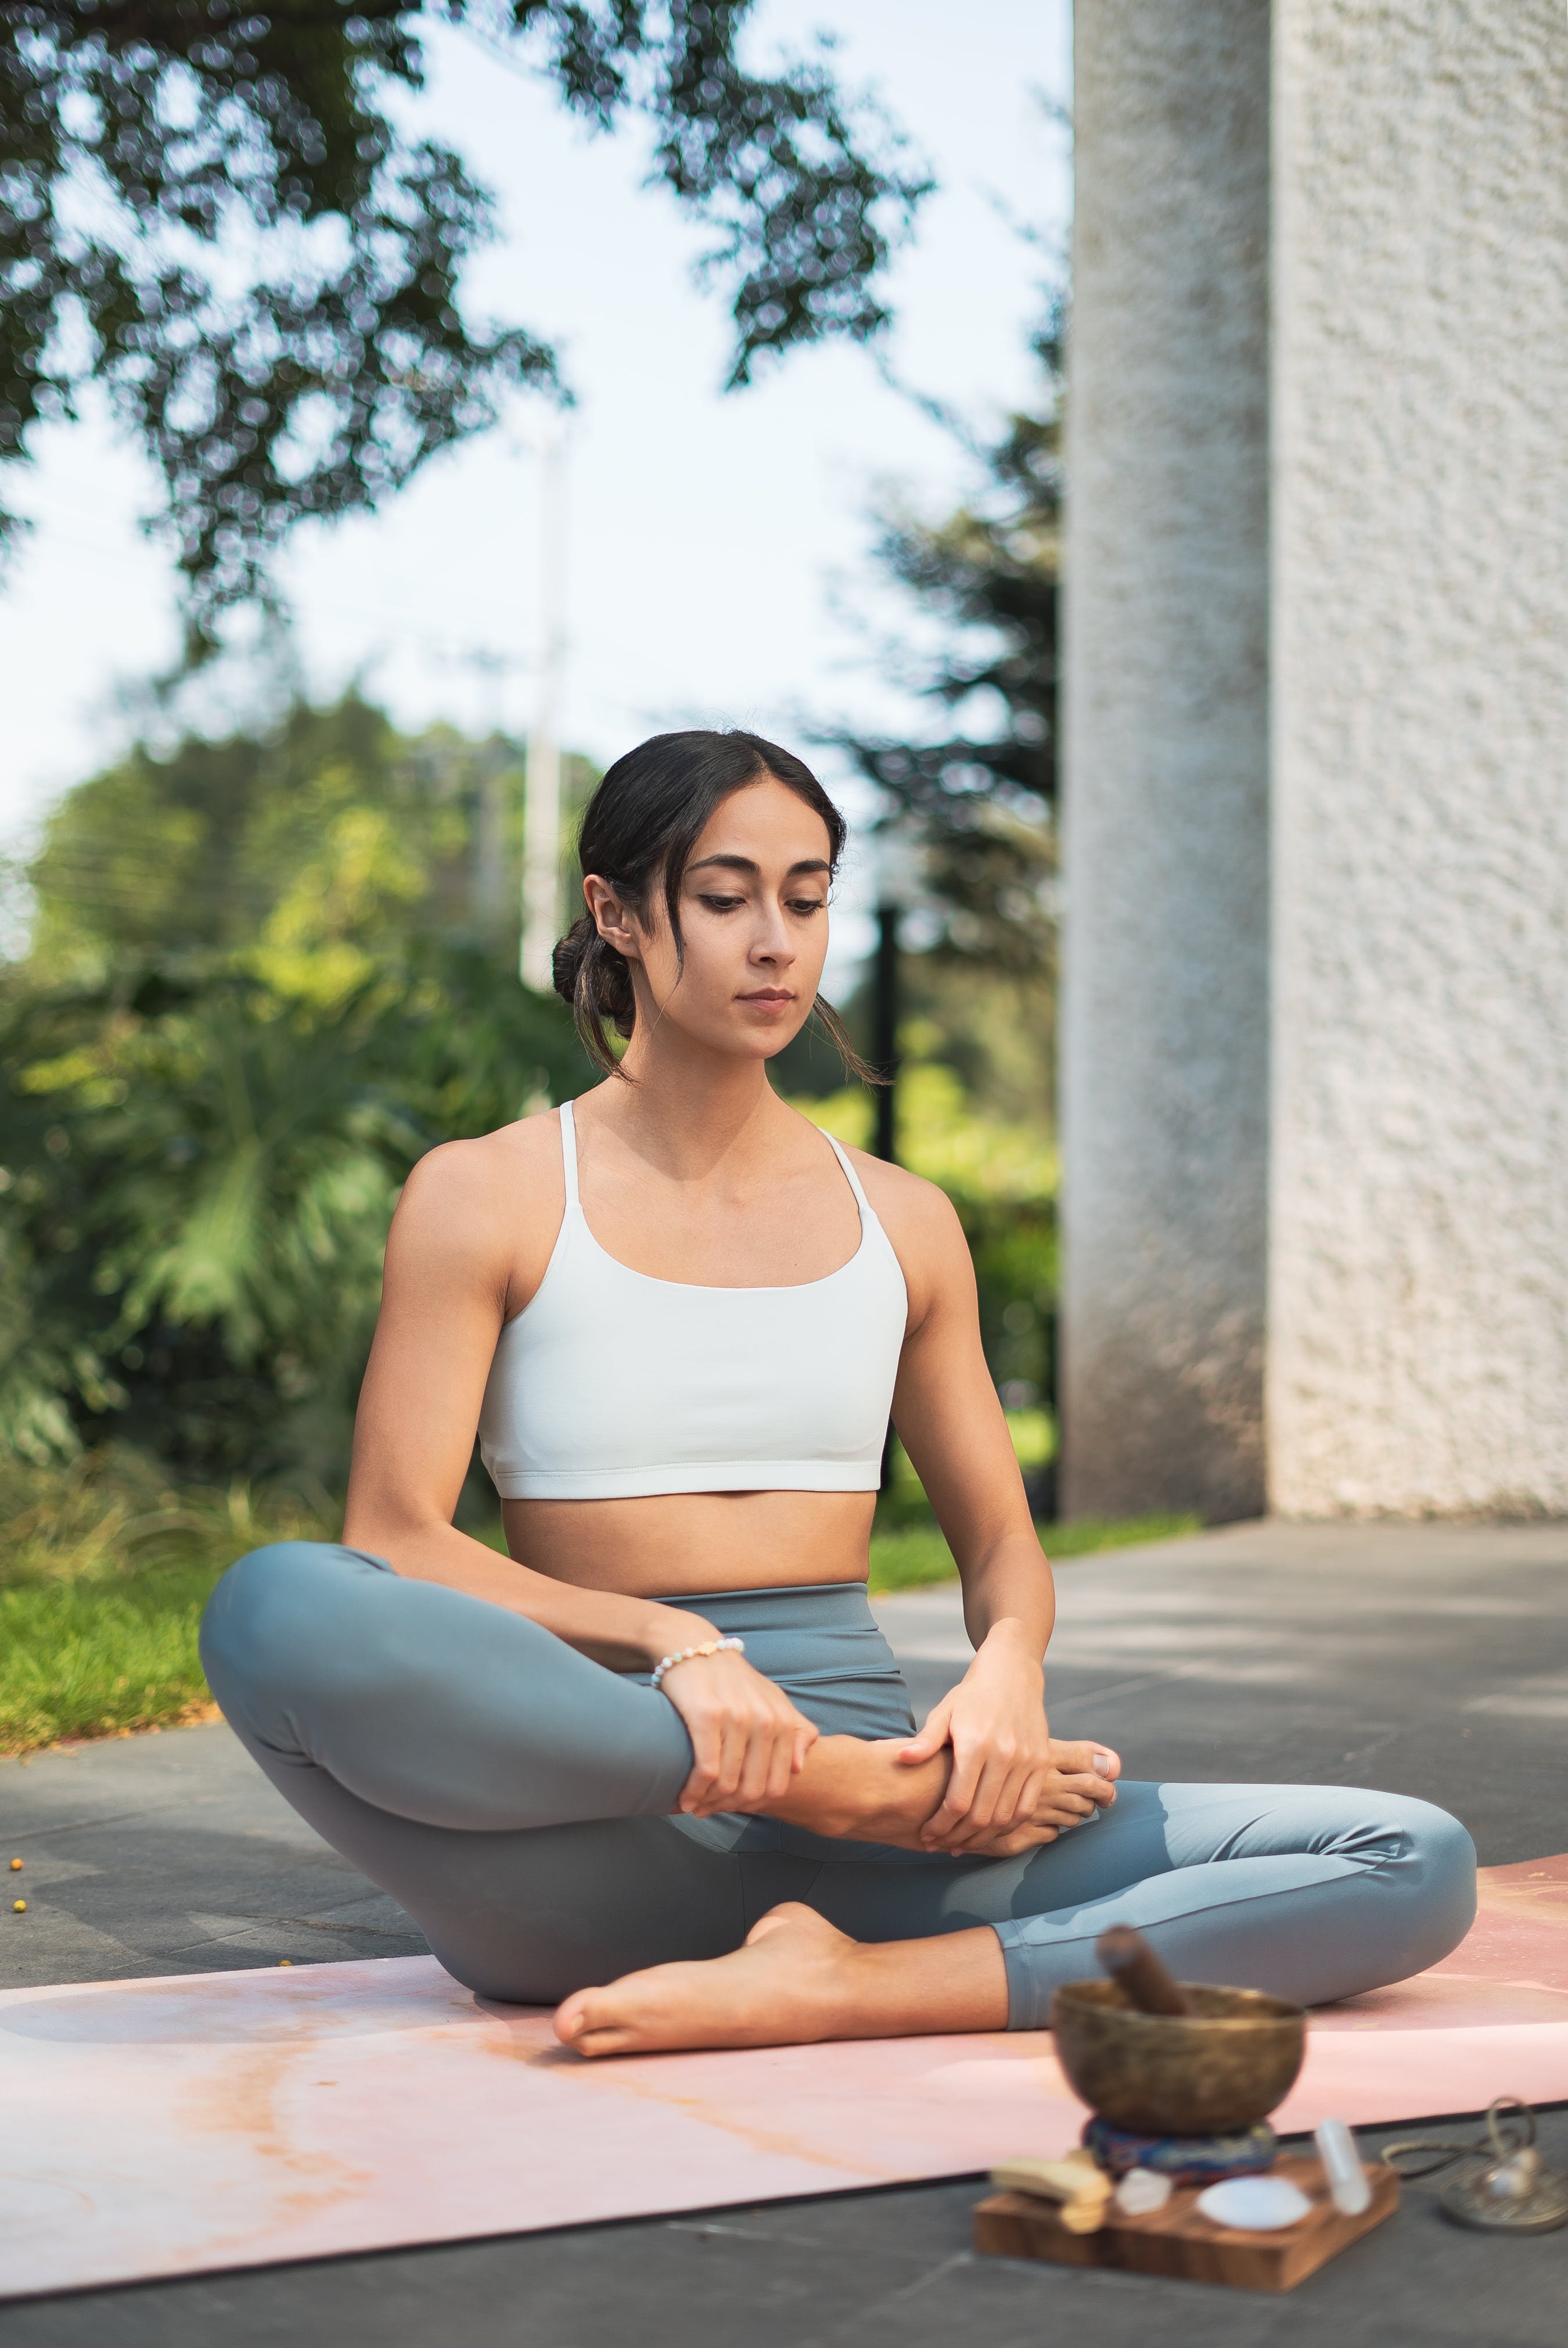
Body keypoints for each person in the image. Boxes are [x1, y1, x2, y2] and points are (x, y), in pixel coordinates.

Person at [202, 730, 1476, 2058]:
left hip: (911, 1814)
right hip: (603, 1827)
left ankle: (841, 1985)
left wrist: (1003, 1681)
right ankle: (833, 1809)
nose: (776, 941)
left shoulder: (905, 1220)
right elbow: (396, 1534)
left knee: (1408, 1853)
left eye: (806, 899)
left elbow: (999, 1542)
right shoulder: (487, 1192)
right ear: (616, 913)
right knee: (275, 1603)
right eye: (724, 895)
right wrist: (679, 1646)